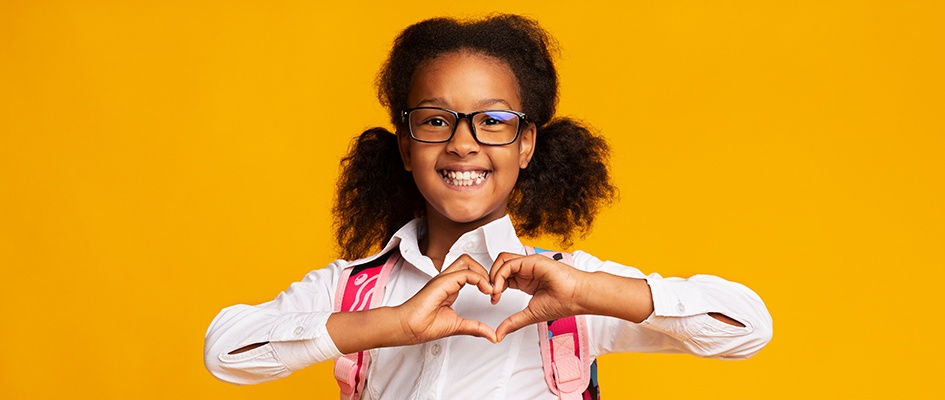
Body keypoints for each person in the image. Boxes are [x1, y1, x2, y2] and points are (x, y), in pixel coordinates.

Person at [204, 14, 772, 399]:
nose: (463, 141)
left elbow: (746, 327)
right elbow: (226, 351)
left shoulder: (572, 289)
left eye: (494, 120)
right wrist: (392, 324)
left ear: (526, 145)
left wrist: (586, 293)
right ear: (405, 145)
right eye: (435, 119)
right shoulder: (355, 291)